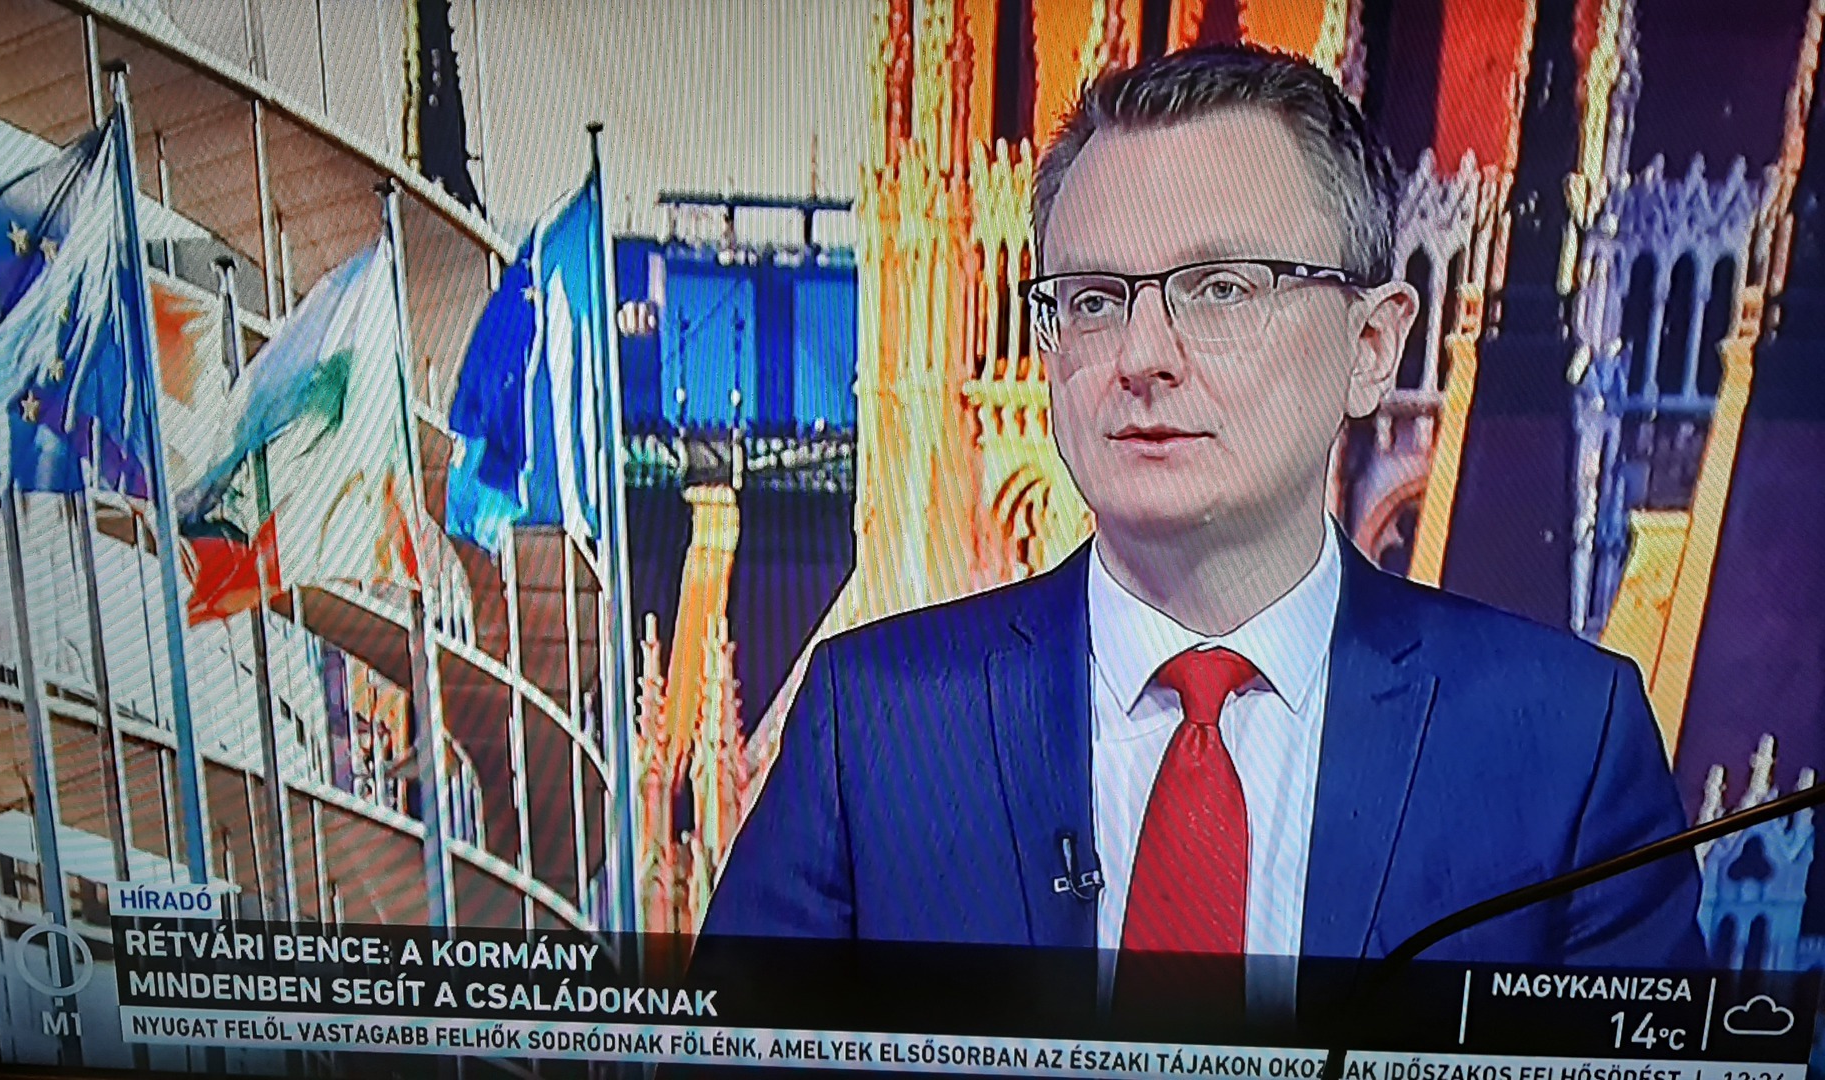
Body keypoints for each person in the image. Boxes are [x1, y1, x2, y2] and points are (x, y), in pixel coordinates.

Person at [700, 43, 1706, 1019]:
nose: (1142, 355)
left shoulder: (1566, 745)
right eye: (1094, 299)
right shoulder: (874, 724)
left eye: (1221, 288)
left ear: (1371, 344)